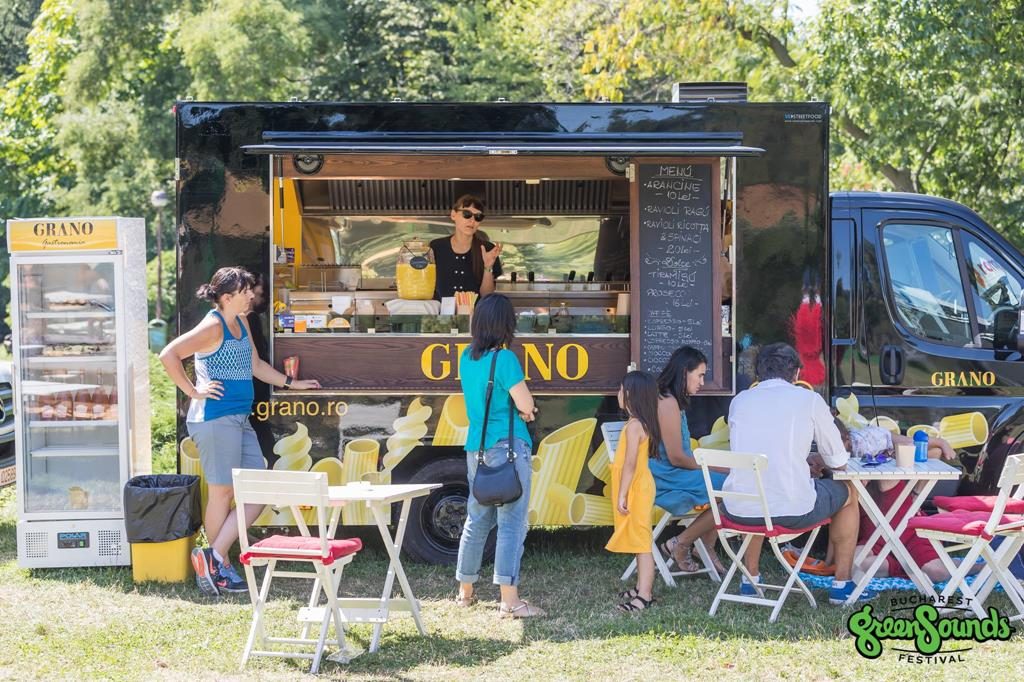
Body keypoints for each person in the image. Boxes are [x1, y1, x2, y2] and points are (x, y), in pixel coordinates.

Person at [159, 267, 321, 596]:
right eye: (246, 291)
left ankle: (213, 556)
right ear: (227, 297)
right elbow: (168, 354)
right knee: (223, 493)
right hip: (215, 419)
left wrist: (292, 383)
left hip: (239, 418)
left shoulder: (242, 322)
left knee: (257, 488)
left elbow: (255, 366)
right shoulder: (212, 326)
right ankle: (219, 565)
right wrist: (193, 391)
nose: (251, 295)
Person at [724, 342, 873, 605]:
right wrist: (816, 462)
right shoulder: (809, 400)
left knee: (757, 488)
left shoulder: (740, 401)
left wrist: (801, 460)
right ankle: (842, 585)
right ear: (796, 374)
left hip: (738, 509)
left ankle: (750, 579)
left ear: (758, 373)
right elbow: (838, 460)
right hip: (790, 511)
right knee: (849, 492)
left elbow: (759, 449)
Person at [454, 293, 543, 618]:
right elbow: (524, 403)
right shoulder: (505, 359)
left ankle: (465, 592)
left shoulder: (466, 357)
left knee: (476, 519)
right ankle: (510, 601)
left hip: (476, 448)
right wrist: (528, 411)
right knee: (511, 523)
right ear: (506, 324)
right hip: (507, 449)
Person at [831, 421, 974, 582]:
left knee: (937, 571)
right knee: (853, 565)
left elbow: (926, 449)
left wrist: (941, 443)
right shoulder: (832, 463)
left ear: (847, 439)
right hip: (875, 533)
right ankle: (907, 566)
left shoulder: (873, 443)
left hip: (909, 529)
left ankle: (984, 568)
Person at [649, 347, 728, 575]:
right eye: (700, 375)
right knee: (734, 487)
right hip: (666, 477)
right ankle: (682, 543)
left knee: (733, 484)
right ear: (685, 372)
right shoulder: (666, 402)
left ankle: (702, 546)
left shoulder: (672, 401)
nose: (702, 382)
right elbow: (676, 457)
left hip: (675, 473)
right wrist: (717, 467)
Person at [606, 371, 660, 612]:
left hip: (636, 487)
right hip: (639, 485)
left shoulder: (634, 426)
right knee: (639, 538)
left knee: (641, 542)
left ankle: (645, 596)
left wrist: (622, 493)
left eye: (620, 389)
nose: (618, 394)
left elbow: (629, 464)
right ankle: (640, 587)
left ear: (629, 395)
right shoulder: (639, 423)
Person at [430, 194, 503, 300]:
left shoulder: (488, 249)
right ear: (453, 215)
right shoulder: (436, 247)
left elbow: (487, 296)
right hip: (441, 310)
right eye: (467, 214)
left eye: (478, 217)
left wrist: (488, 267)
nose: (472, 221)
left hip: (475, 310)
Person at [245, 272, 275, 463]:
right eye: (261, 294)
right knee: (260, 429)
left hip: (252, 386)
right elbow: (258, 359)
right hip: (257, 386)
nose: (263, 299)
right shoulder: (251, 318)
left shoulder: (244, 319)